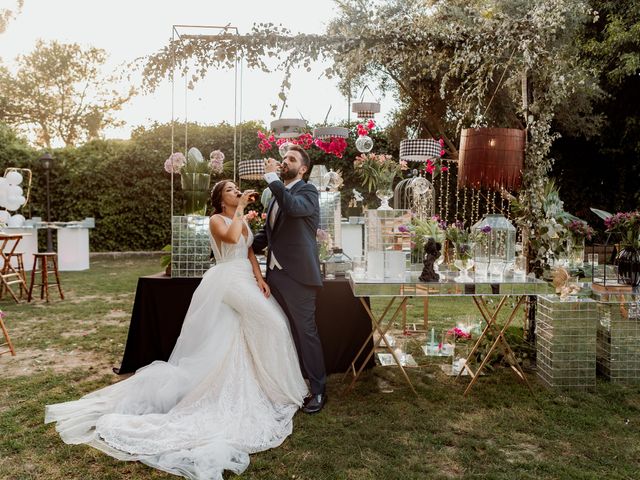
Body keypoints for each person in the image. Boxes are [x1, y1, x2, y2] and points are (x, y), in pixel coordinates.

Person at [44, 180, 308, 480]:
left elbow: (248, 252)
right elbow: (231, 238)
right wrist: (242, 211)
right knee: (271, 321)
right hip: (226, 280)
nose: (237, 192)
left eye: (237, 189)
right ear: (221, 200)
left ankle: (268, 385)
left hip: (245, 277)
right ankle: (273, 383)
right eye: (230, 190)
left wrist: (260, 278)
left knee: (251, 329)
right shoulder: (218, 220)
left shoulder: (241, 220)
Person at [252, 145, 327, 414]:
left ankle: (318, 390)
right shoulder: (276, 197)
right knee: (278, 331)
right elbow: (268, 234)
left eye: (291, 159)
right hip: (273, 276)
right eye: (283, 158)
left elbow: (293, 209)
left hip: (299, 277)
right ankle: (286, 384)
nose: (285, 162)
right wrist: (241, 243)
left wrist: (272, 178)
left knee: (306, 334)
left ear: (303, 169)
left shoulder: (307, 192)